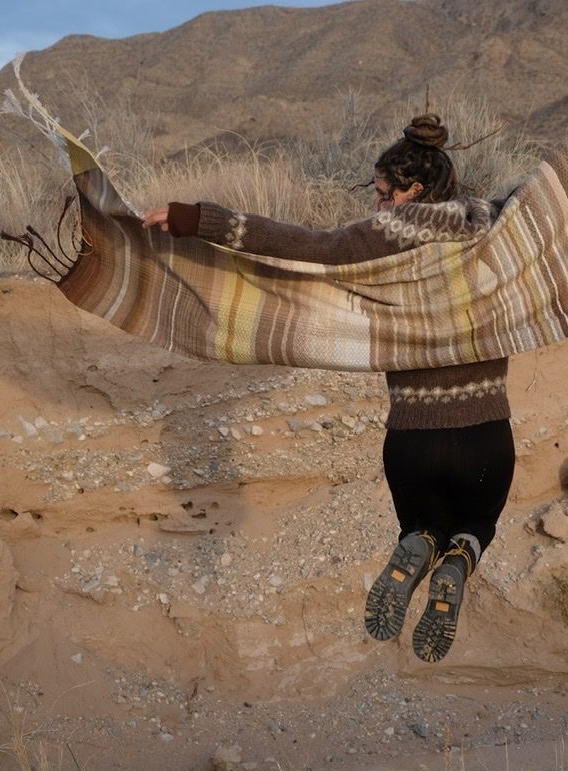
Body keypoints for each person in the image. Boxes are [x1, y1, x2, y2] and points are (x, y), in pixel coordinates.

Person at [141, 115, 514, 662]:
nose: (379, 205)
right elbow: (559, 186)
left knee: (422, 524)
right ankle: (459, 561)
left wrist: (197, 219)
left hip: (412, 441)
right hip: (487, 438)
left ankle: (424, 542)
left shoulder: (380, 239)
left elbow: (301, 244)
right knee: (479, 523)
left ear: (413, 190)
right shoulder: (491, 225)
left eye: (385, 194)